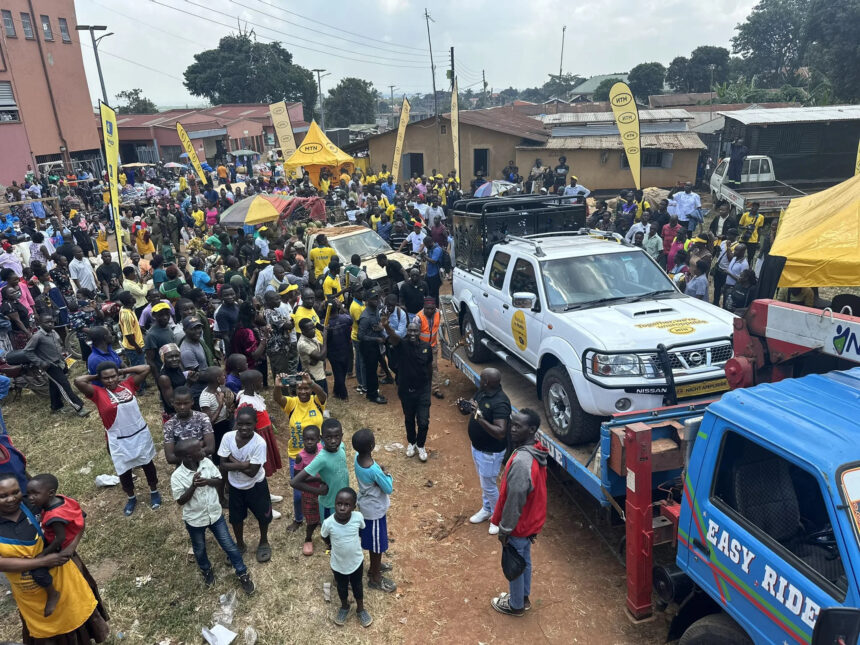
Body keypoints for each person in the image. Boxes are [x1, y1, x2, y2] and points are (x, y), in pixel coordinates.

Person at [0, 473, 109, 645]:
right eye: (3, 496)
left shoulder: (34, 504)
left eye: (15, 492)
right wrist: (41, 562)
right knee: (47, 631)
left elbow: (78, 516)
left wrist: (71, 547)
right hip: (30, 594)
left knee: (74, 620)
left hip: (65, 581)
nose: (11, 499)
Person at [170, 438, 255, 594]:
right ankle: (206, 570)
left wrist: (207, 481)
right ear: (189, 456)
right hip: (195, 520)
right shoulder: (177, 476)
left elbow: (219, 481)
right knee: (200, 548)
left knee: (229, 545)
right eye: (199, 450)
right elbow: (180, 500)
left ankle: (242, 572)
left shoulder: (207, 463)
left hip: (215, 515)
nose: (204, 451)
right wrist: (193, 486)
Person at [74, 363, 160, 516]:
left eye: (113, 376)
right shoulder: (97, 393)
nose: (110, 380)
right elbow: (78, 381)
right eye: (106, 378)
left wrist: (121, 371)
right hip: (118, 438)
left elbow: (147, 368)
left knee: (147, 463)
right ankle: (131, 497)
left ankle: (154, 491)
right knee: (124, 469)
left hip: (139, 433)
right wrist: (97, 376)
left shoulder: (128, 384)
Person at [490, 408, 548, 617]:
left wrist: (504, 530)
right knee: (524, 559)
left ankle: (515, 605)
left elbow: (514, 502)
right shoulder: (535, 450)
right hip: (531, 522)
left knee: (514, 562)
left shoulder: (522, 463)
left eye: (518, 426)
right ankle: (523, 597)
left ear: (531, 429)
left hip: (519, 525)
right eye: (512, 424)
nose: (512, 429)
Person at [24, 473, 86, 618]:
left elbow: (59, 538)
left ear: (50, 493)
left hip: (60, 545)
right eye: (29, 494)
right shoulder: (63, 499)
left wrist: (44, 554)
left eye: (35, 494)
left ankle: (52, 594)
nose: (31, 498)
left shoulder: (54, 517)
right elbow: (81, 514)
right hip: (68, 538)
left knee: (37, 570)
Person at [217, 406, 273, 563]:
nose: (244, 428)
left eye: (248, 424)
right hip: (235, 487)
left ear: (255, 423)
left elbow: (252, 472)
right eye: (240, 424)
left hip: (256, 486)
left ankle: (263, 541)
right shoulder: (228, 438)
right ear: (236, 422)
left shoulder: (259, 443)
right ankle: (240, 544)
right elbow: (222, 465)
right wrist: (243, 464)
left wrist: (232, 461)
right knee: (236, 518)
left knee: (264, 516)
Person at [273, 371, 326, 532]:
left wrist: (311, 383)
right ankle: (298, 518)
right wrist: (277, 387)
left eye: (306, 388)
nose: (303, 392)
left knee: (320, 487)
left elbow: (323, 394)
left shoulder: (317, 401)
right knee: (298, 493)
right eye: (299, 388)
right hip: (296, 455)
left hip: (318, 454)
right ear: (295, 390)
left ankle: (318, 518)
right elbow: (277, 399)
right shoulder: (292, 403)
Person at [463, 368, 511, 534]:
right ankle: (487, 509)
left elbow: (500, 431)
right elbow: (472, 406)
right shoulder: (482, 392)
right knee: (485, 482)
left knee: (489, 485)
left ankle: (499, 517)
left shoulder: (500, 402)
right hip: (477, 447)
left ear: (487, 382)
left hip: (490, 453)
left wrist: (479, 417)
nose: (479, 380)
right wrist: (465, 407)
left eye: (482, 379)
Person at [320, 487, 372, 628]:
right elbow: (324, 536)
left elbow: (361, 529)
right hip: (338, 564)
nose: (342, 508)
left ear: (353, 507)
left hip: (356, 562)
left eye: (347, 505)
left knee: (357, 585)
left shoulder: (358, 518)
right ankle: (344, 607)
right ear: (334, 503)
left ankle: (360, 609)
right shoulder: (328, 523)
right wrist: (330, 545)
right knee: (341, 587)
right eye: (339, 504)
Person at [352, 428, 396, 593]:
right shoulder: (373, 470)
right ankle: (375, 576)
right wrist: (387, 474)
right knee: (377, 545)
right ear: (372, 445)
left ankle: (375, 567)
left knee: (375, 542)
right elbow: (388, 488)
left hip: (367, 506)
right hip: (374, 512)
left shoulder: (357, 459)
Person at [23, 313, 90, 417]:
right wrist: (40, 362)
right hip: (50, 366)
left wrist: (64, 361)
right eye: (47, 322)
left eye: (52, 322)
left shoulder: (54, 332)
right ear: (40, 323)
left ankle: (56, 406)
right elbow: (27, 351)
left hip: (59, 362)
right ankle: (79, 407)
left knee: (54, 385)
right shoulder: (38, 336)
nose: (50, 324)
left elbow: (59, 346)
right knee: (64, 385)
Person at [385, 319, 433, 461]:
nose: (413, 333)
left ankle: (421, 445)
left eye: (415, 330)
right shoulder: (402, 345)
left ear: (420, 332)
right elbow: (393, 338)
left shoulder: (426, 347)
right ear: (407, 331)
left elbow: (429, 366)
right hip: (406, 390)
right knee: (409, 418)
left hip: (423, 390)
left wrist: (429, 385)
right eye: (410, 330)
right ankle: (411, 442)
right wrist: (386, 326)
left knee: (423, 421)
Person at [291, 418, 349, 521]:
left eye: (337, 436)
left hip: (344, 502)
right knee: (329, 533)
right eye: (328, 437)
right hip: (329, 504)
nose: (333, 441)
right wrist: (317, 491)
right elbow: (294, 482)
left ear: (342, 436)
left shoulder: (342, 447)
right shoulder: (321, 458)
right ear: (322, 438)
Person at [236, 370, 283, 483]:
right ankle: (258, 486)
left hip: (265, 434)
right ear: (253, 384)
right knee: (259, 463)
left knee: (263, 463)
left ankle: (264, 487)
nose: (262, 384)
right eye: (260, 382)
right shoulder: (246, 402)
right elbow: (242, 422)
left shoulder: (254, 396)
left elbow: (258, 414)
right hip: (258, 436)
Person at [162, 386, 215, 465]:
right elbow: (170, 458)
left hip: (205, 463)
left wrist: (184, 453)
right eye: (178, 404)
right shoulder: (169, 425)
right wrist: (200, 445)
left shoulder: (202, 418)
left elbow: (210, 448)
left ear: (192, 402)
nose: (182, 407)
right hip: (184, 468)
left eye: (186, 403)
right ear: (172, 403)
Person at [293, 425, 323, 555]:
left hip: (324, 489)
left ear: (319, 439)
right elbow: (297, 479)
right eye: (306, 439)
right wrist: (317, 478)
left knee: (324, 512)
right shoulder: (300, 457)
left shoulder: (323, 450)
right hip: (309, 491)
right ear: (302, 439)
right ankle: (308, 538)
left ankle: (327, 533)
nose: (309, 442)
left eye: (312, 439)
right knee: (311, 518)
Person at [357, 289, 387, 405]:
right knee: (371, 371)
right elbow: (361, 336)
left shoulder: (375, 311)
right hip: (368, 347)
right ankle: (373, 395)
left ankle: (372, 392)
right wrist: (376, 339)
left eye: (377, 297)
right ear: (368, 300)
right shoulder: (365, 317)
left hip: (375, 346)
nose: (376, 300)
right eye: (373, 298)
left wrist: (380, 329)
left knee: (373, 369)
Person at [416, 297, 443, 399]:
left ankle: (435, 389)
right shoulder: (418, 318)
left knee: (434, 367)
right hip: (421, 347)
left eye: (432, 308)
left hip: (433, 346)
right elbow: (414, 335)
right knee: (420, 367)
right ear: (424, 307)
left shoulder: (438, 313)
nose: (430, 311)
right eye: (427, 308)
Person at [326, 300, 353, 400]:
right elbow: (351, 319)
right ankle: (342, 394)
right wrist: (341, 308)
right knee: (342, 371)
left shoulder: (325, 323)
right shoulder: (345, 318)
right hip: (345, 349)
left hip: (333, 352)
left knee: (338, 372)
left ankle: (340, 393)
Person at [297, 318, 328, 393]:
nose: (314, 330)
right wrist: (324, 339)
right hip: (313, 378)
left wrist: (316, 356)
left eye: (314, 327)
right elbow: (322, 356)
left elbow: (320, 348)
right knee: (317, 401)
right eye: (311, 329)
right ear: (303, 331)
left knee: (324, 399)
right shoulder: (303, 344)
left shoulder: (311, 336)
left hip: (320, 374)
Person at [723, 243, 749, 308]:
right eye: (735, 250)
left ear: (742, 252)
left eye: (737, 250)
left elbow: (742, 279)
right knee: (724, 305)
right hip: (727, 285)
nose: (734, 252)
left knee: (729, 306)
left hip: (734, 288)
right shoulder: (734, 258)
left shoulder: (744, 264)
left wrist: (729, 273)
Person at [422, 237, 443, 304]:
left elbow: (434, 261)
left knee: (435, 292)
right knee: (428, 291)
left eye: (426, 245)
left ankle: (435, 307)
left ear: (430, 243)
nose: (426, 246)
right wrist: (424, 256)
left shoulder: (437, 249)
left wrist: (425, 257)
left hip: (435, 274)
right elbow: (427, 260)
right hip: (429, 273)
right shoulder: (430, 249)